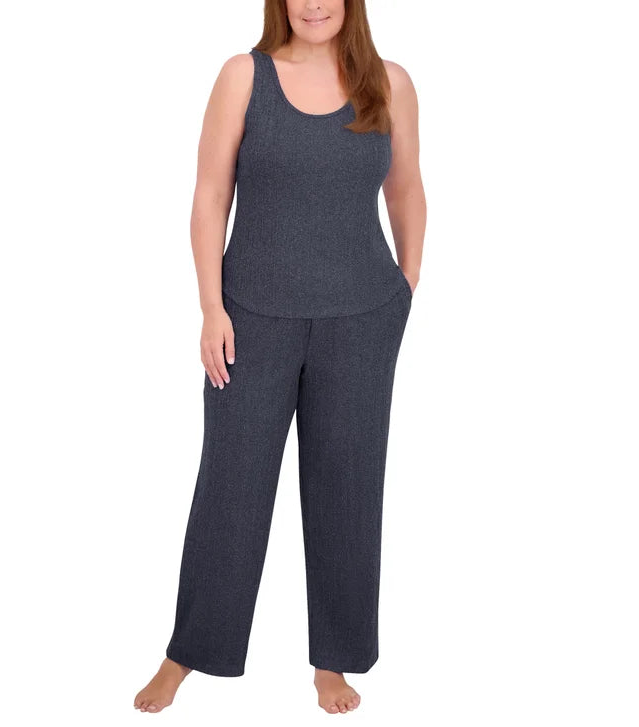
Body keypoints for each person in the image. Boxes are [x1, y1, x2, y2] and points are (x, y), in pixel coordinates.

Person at [134, 0, 425, 715]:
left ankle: (334, 662)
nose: (313, 4)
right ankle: (188, 652)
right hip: (250, 320)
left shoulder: (389, 82)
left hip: (361, 318)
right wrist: (211, 307)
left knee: (348, 491)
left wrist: (405, 287)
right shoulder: (244, 76)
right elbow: (210, 194)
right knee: (230, 488)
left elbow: (407, 187)